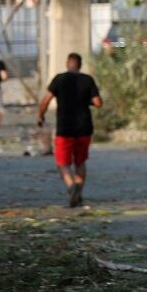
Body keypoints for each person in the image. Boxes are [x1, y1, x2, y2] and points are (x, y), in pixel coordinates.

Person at [36, 53, 102, 208]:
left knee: (62, 163)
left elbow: (46, 100)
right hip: (85, 127)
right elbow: (98, 103)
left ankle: (72, 187)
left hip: (65, 128)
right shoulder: (87, 80)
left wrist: (40, 116)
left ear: (67, 63)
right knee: (80, 161)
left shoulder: (59, 79)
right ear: (80, 64)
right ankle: (78, 191)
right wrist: (86, 99)